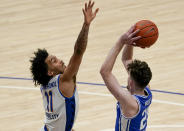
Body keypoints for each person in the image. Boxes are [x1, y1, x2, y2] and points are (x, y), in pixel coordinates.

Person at [30, 1, 99, 131]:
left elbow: (60, 117)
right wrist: (86, 25)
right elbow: (78, 52)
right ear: (50, 72)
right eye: (54, 61)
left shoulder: (45, 86)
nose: (60, 61)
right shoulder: (64, 80)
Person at [100, 25, 152, 131]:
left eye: (129, 76)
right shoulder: (146, 90)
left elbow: (105, 72)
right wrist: (130, 42)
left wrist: (121, 41)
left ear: (131, 83)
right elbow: (127, 59)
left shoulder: (130, 102)